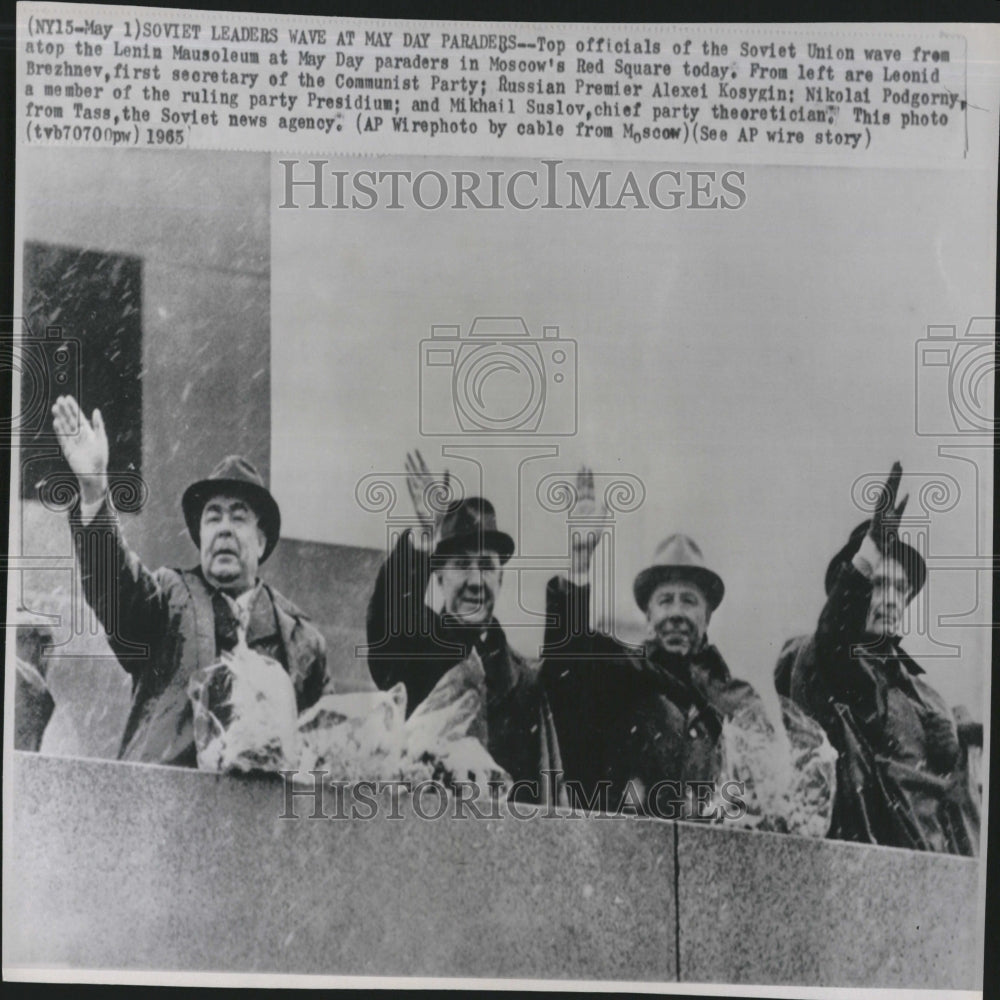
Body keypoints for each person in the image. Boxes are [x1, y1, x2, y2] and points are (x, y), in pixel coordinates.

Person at [51, 394, 328, 767]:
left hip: (263, 818)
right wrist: (94, 490)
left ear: (261, 541)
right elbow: (114, 587)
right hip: (166, 805)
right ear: (201, 539)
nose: (225, 529)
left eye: (239, 516)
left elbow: (323, 749)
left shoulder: (302, 639)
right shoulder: (166, 599)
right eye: (213, 517)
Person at [542, 467, 762, 817]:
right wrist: (579, 563)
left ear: (708, 616)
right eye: (665, 600)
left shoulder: (738, 700)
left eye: (689, 601)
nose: (676, 613)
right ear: (647, 616)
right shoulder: (620, 679)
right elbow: (565, 673)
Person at [787, 462, 975, 855]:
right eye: (878, 584)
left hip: (939, 865)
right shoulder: (833, 664)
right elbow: (833, 638)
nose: (892, 599)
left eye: (900, 589)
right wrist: (867, 553)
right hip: (872, 864)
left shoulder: (920, 689)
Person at [365, 450, 562, 802]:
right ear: (438, 575)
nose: (475, 580)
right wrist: (424, 538)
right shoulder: (413, 649)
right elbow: (388, 624)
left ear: (501, 579)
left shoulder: (526, 683)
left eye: (487, 566)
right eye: (460, 564)